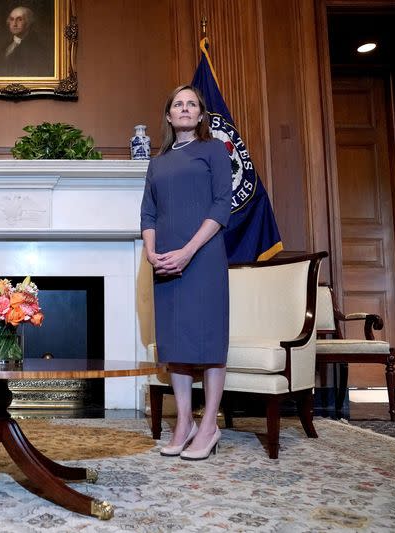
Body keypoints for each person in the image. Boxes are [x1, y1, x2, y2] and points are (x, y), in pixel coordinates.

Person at [140, 85, 232, 461]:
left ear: (200, 115)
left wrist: (188, 251)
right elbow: (147, 213)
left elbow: (222, 204)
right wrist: (151, 251)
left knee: (208, 344)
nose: (184, 108)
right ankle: (183, 423)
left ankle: (209, 425)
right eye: (177, 103)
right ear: (168, 115)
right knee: (176, 345)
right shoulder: (157, 162)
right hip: (164, 262)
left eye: (191, 103)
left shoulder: (214, 149)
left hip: (204, 257)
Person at [0, 6, 53, 77]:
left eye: (19, 19)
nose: (14, 24)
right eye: (12, 19)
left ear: (28, 23)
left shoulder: (37, 48)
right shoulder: (5, 45)